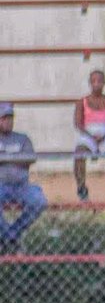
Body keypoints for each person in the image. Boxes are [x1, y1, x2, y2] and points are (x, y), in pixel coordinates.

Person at [0, 103, 47, 250]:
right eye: (4, 118)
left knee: (39, 201)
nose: (8, 121)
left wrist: (4, 159)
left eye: (10, 118)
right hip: (1, 185)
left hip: (22, 185)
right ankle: (12, 238)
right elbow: (22, 160)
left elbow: (30, 159)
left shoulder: (23, 138)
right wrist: (17, 158)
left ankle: (10, 236)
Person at [73, 70, 105, 201]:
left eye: (100, 81)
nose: (97, 84)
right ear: (89, 83)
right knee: (79, 153)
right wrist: (91, 136)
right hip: (88, 134)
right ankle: (81, 188)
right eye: (94, 81)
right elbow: (78, 124)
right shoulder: (82, 102)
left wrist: (104, 136)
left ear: (104, 83)